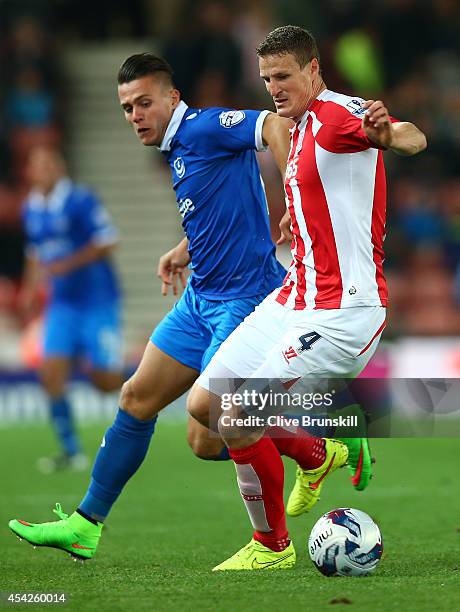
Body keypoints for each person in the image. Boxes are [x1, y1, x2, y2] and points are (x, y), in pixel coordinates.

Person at [9, 53, 366, 560]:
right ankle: (86, 524)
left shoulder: (204, 127)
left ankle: (303, 481)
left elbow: (274, 126)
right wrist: (185, 247)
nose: (134, 115)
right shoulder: (178, 148)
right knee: (135, 398)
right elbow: (215, 205)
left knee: (205, 436)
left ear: (172, 98)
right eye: (127, 107)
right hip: (201, 298)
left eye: (143, 103)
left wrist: (292, 199)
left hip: (245, 300)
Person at [184, 25, 427, 571]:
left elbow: (411, 136)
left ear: (314, 70)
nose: (273, 87)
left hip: (344, 312)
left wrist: (390, 136)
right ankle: (321, 454)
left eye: (284, 76)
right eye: (266, 78)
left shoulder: (341, 114)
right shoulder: (295, 129)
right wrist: (297, 216)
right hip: (295, 298)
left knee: (240, 416)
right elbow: (325, 191)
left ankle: (272, 548)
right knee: (203, 408)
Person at [19, 145, 123, 472]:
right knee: (50, 375)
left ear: (60, 166)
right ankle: (71, 451)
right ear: (30, 172)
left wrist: (68, 263)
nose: (45, 170)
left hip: (97, 300)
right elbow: (36, 253)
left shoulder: (80, 199)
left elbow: (108, 240)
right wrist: (29, 288)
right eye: (39, 165)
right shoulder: (31, 208)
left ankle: (152, 387)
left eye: (50, 162)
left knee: (105, 382)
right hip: (62, 305)